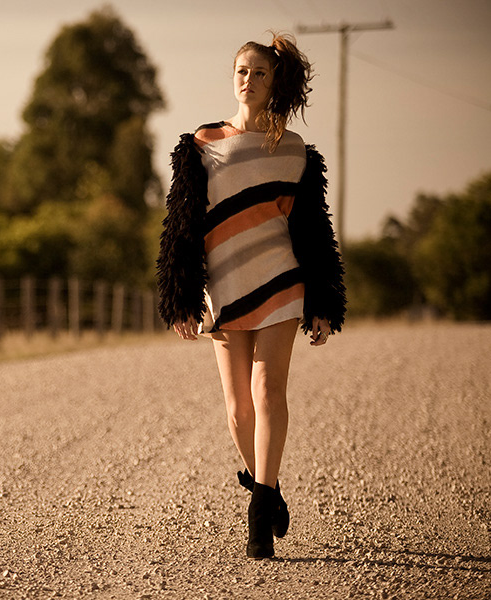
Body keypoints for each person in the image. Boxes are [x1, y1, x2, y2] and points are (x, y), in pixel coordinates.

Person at [156, 33, 346, 559]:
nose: (249, 80)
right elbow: (181, 225)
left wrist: (323, 303)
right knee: (239, 408)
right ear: (233, 77)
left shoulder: (295, 150)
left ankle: (258, 517)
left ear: (275, 81)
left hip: (281, 280)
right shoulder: (202, 142)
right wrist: (180, 295)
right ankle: (270, 488)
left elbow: (314, 231)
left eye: (260, 72)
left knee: (267, 390)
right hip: (222, 287)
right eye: (242, 71)